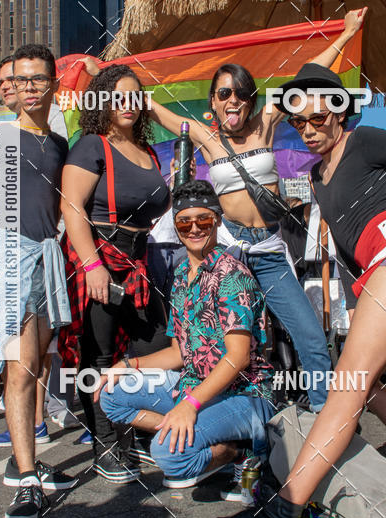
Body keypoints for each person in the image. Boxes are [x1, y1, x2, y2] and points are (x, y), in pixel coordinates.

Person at [211, 63, 386, 518]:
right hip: (377, 280)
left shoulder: (365, 139)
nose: (309, 129)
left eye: (319, 118)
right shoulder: (316, 174)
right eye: (300, 123)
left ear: (340, 113)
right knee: (364, 387)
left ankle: (285, 510)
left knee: (345, 386)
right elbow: (347, 253)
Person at [145, 10, 367, 411]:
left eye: (241, 92)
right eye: (224, 93)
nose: (233, 100)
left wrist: (347, 33)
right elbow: (157, 110)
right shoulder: (207, 138)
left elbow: (308, 73)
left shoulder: (266, 122)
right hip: (227, 254)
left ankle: (324, 415)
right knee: (219, 340)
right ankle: (225, 413)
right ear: (212, 101)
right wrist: (113, 83)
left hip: (267, 252)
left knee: (311, 339)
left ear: (252, 99)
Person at [99, 180, 276, 489]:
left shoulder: (232, 274)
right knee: (111, 394)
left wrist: (189, 405)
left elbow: (237, 357)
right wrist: (128, 366)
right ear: (176, 225)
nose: (194, 228)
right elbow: (180, 352)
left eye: (203, 220)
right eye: (184, 221)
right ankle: (192, 435)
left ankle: (240, 451)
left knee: (169, 456)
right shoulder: (182, 274)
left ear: (217, 220)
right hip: (197, 386)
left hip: (246, 396)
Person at [0, 43, 77, 518]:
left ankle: (22, 457)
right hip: (10, 257)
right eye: (21, 79)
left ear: (53, 83)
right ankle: (27, 480)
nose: (29, 87)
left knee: (39, 363)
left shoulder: (58, 143)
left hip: (47, 258)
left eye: (38, 79)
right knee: (22, 366)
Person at [59, 64, 171, 483]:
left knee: (156, 345)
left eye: (136, 97)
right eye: (119, 96)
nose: (128, 104)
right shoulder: (91, 145)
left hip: (140, 263)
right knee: (99, 356)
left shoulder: (148, 151)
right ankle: (105, 445)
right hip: (101, 257)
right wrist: (91, 265)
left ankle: (134, 428)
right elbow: (71, 207)